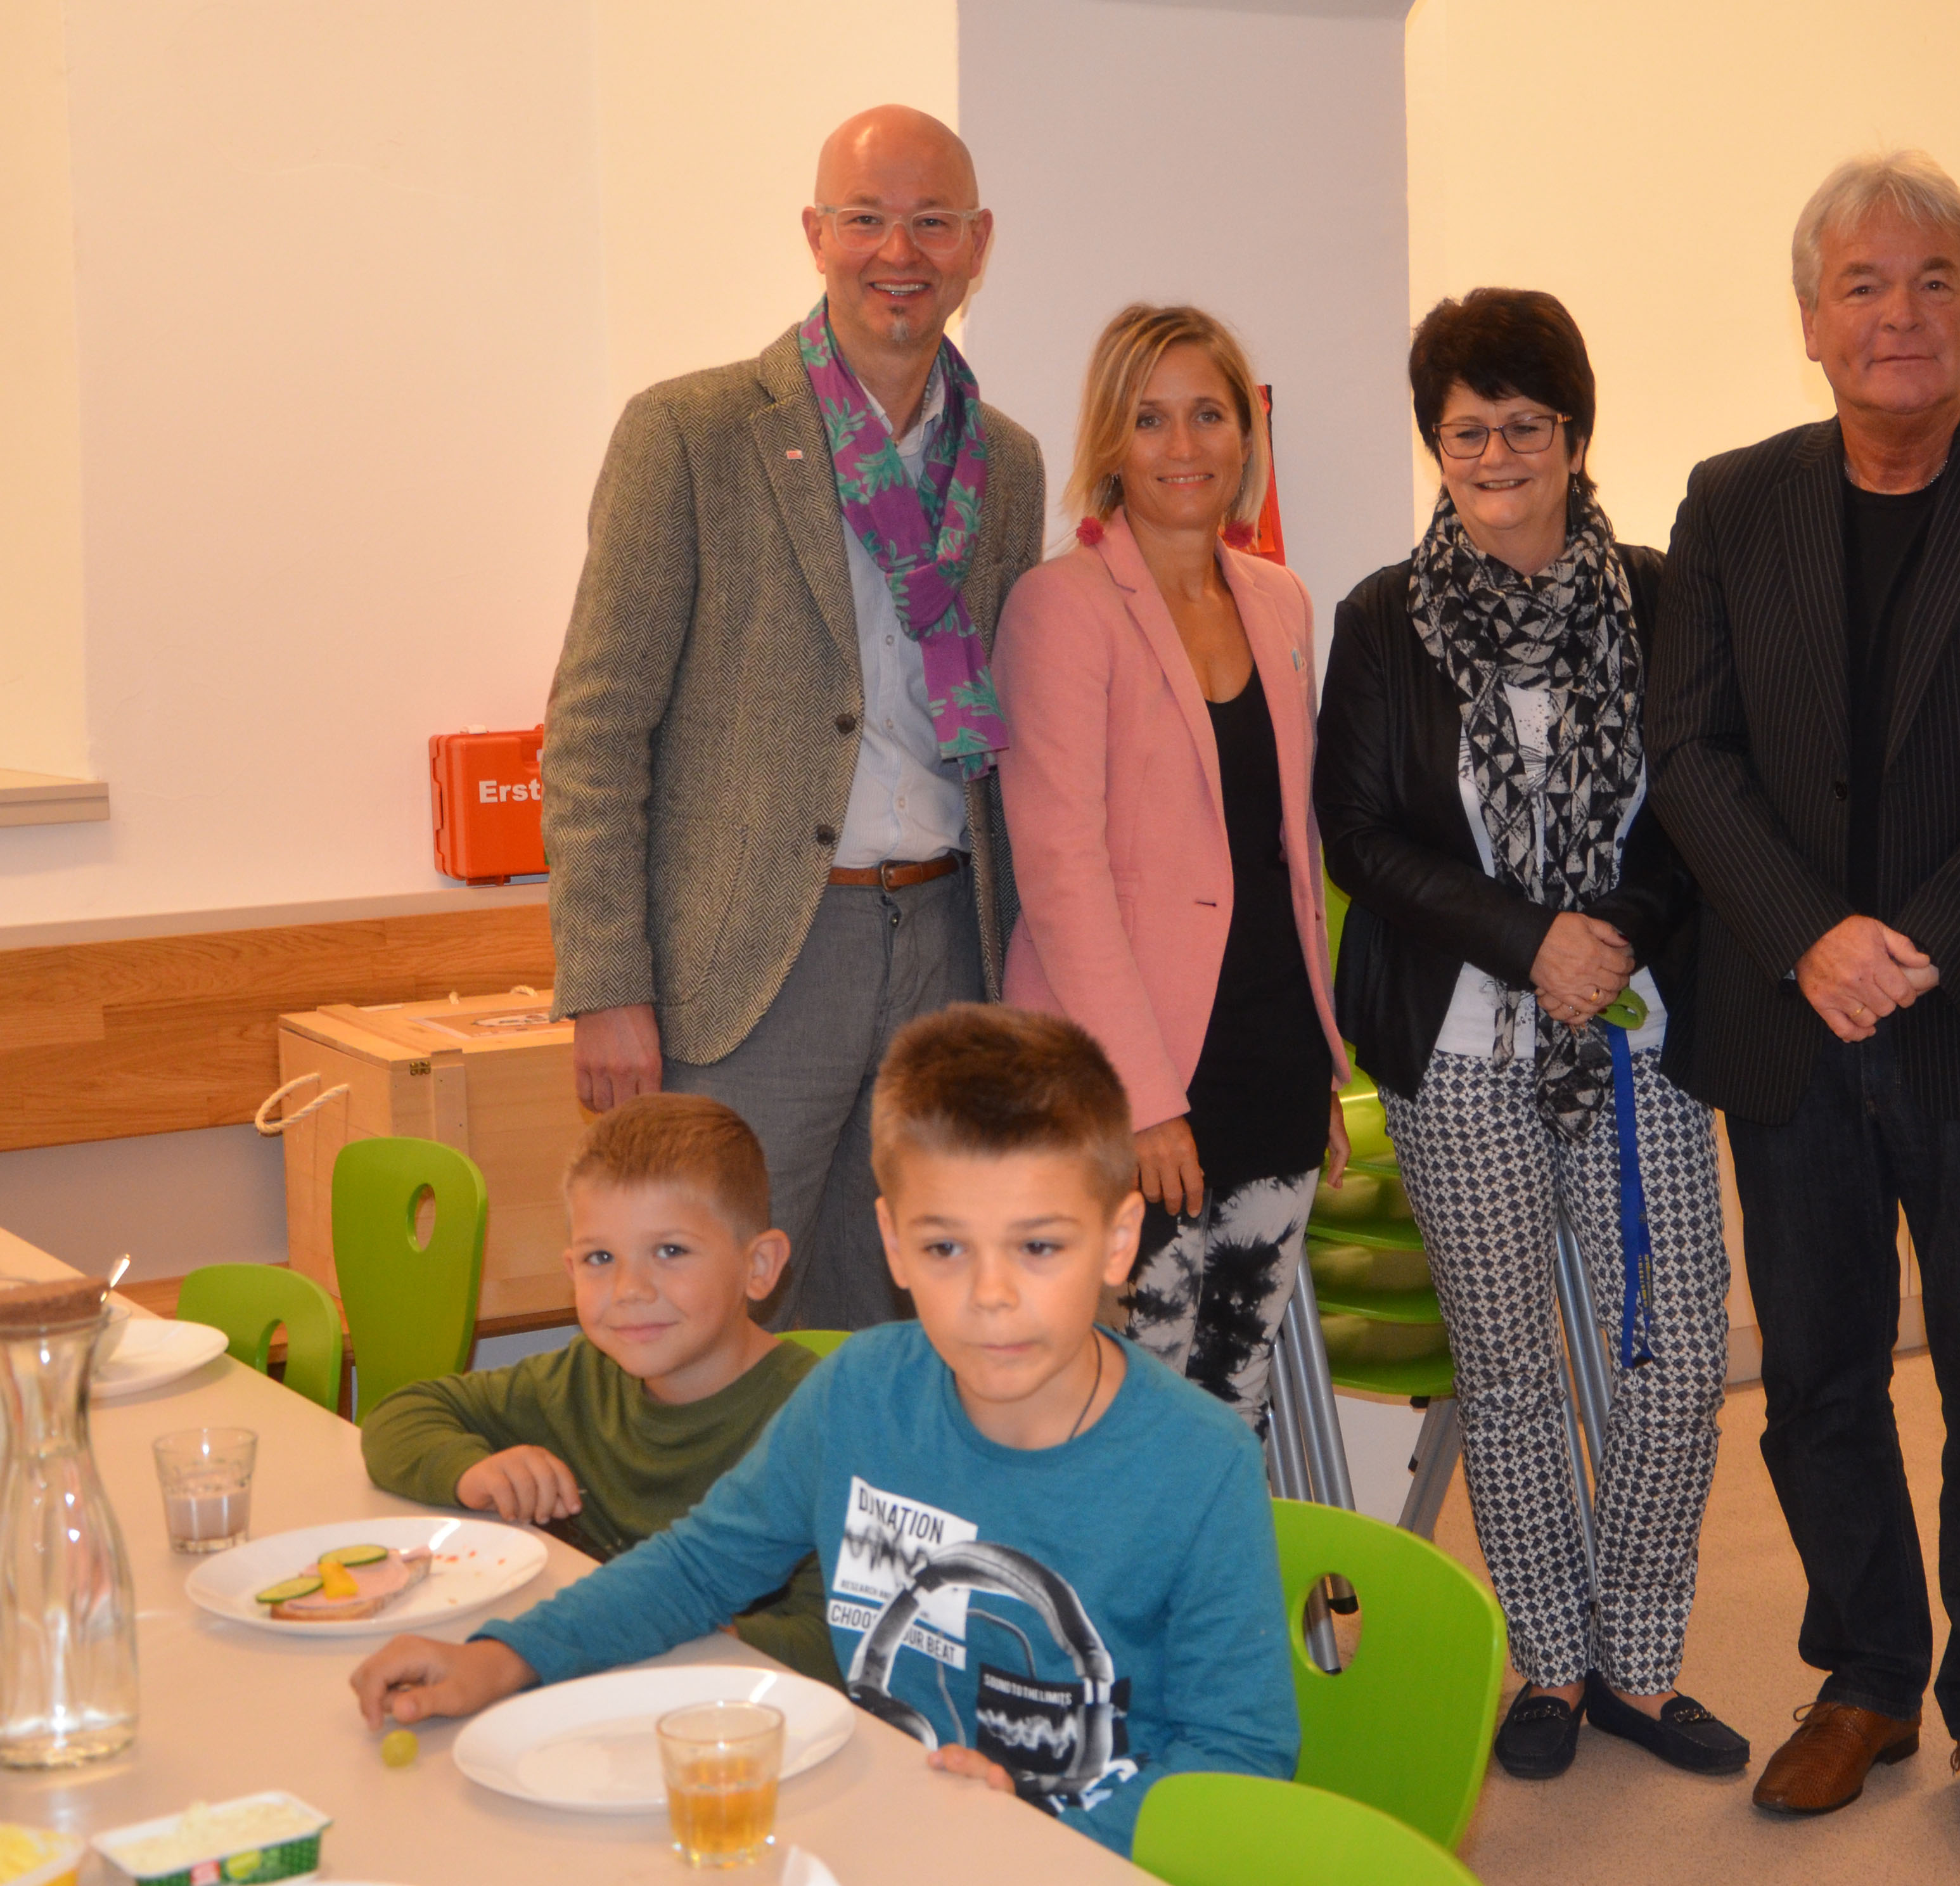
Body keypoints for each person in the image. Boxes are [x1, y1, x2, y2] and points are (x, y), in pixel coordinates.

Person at [1646, 151, 1960, 1858]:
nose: (1899, 315)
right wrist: (1810, 939)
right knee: (1819, 1380)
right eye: (1863, 285)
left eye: (1932, 279)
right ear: (1810, 321)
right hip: (1793, 1027)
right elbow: (1690, 752)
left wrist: (1911, 941)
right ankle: (1865, 1674)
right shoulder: (1732, 500)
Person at [349, 1005, 1300, 1857]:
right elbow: (696, 1569)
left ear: (1120, 1239)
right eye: (944, 1248)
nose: (992, 1295)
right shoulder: (860, 1393)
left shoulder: (1198, 1464)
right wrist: (503, 1657)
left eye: (1040, 1246)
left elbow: (1239, 1761)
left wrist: (1037, 1827)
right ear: (892, 1246)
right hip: (871, 1831)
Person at [1317, 288, 1741, 1782]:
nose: (1494, 452)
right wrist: (1526, 938)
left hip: (1641, 1043)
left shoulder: (1662, 594)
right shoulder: (1383, 618)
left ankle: (1638, 1656)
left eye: (1522, 424)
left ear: (1573, 434)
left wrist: (1613, 926)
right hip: (1458, 1050)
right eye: (1465, 429)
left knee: (1677, 1357)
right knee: (1505, 1375)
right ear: (1435, 447)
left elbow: (1707, 799)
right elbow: (1357, 834)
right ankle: (1549, 1669)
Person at [542, 105, 1045, 1334]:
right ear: (815, 235)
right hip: (758, 958)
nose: (899, 251)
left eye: (932, 222)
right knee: (715, 1327)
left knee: (907, 1328)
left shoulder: (1010, 465)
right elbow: (595, 730)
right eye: (867, 219)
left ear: (979, 244)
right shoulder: (692, 434)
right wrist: (604, 983)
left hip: (948, 945)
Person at [994, 305, 1350, 1427]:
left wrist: (1323, 1063)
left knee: (1231, 1403)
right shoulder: (1060, 609)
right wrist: (1141, 1100)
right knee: (1125, 1405)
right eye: (1149, 419)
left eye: (1208, 414)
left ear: (1246, 437)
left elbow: (1290, 853)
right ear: (1109, 443)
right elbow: (1060, 871)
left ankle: (1205, 1610)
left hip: (1272, 1062)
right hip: (1131, 1084)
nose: (1182, 446)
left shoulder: (1279, 601)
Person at [359, 1094, 832, 1681]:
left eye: (670, 1251)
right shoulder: (585, 1376)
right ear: (570, 1270)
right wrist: (473, 1470)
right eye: (600, 1257)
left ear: (758, 1266)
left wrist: (651, 1627)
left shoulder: (821, 1418)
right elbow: (401, 1415)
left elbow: (834, 1645)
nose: (630, 1288)